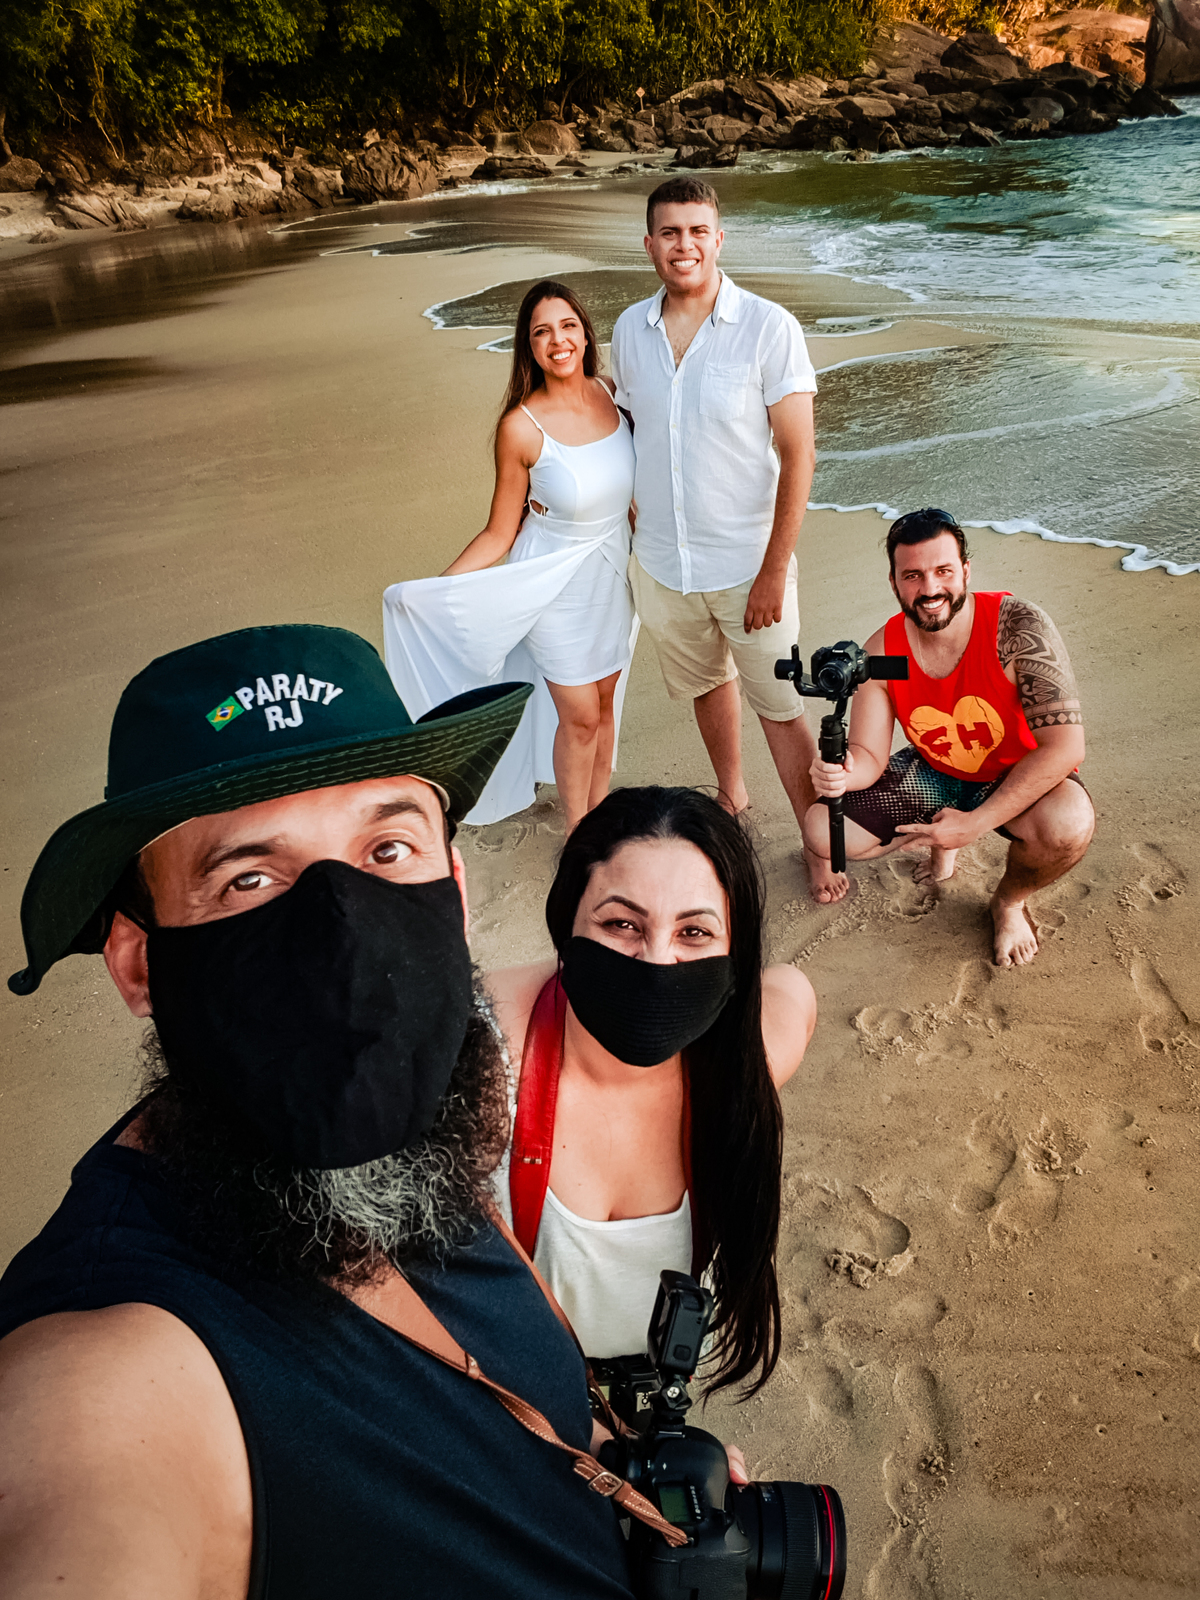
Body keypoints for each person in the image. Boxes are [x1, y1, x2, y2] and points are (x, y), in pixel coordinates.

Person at [0, 623, 646, 1599]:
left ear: (456, 894)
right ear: (142, 965)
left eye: (387, 847)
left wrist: (617, 1466)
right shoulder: (110, 1371)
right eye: (247, 878)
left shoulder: (419, 1126)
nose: (346, 931)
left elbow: (522, 1368)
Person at [485, 786, 816, 1395]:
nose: (657, 961)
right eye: (621, 924)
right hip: (513, 1389)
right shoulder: (486, 1059)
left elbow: (792, 989)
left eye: (694, 933)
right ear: (567, 926)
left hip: (653, 1380)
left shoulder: (746, 1063)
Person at [609, 177, 840, 904]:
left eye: (697, 231)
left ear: (719, 238)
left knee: (780, 707)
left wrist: (774, 570)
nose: (684, 245)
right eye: (670, 233)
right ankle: (733, 803)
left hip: (748, 565)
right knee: (708, 686)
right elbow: (630, 429)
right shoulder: (628, 331)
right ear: (649, 244)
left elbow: (799, 455)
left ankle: (818, 841)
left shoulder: (768, 327)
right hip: (665, 567)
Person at [383, 280, 638, 832]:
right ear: (529, 346)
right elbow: (500, 533)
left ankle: (598, 816)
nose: (558, 340)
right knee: (580, 715)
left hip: (612, 576)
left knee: (606, 701)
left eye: (567, 325)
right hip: (549, 581)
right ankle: (579, 832)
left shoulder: (614, 395)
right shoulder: (521, 428)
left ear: (585, 334)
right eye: (541, 331)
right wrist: (436, 592)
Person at [803, 508, 1095, 967]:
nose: (930, 589)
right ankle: (944, 838)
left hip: (1013, 773)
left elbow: (1066, 748)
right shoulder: (881, 649)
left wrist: (974, 825)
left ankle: (1009, 902)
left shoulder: (1017, 627)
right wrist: (842, 772)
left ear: (965, 570)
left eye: (943, 571)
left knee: (1067, 825)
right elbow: (868, 755)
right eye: (913, 575)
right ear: (895, 582)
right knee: (823, 831)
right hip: (937, 770)